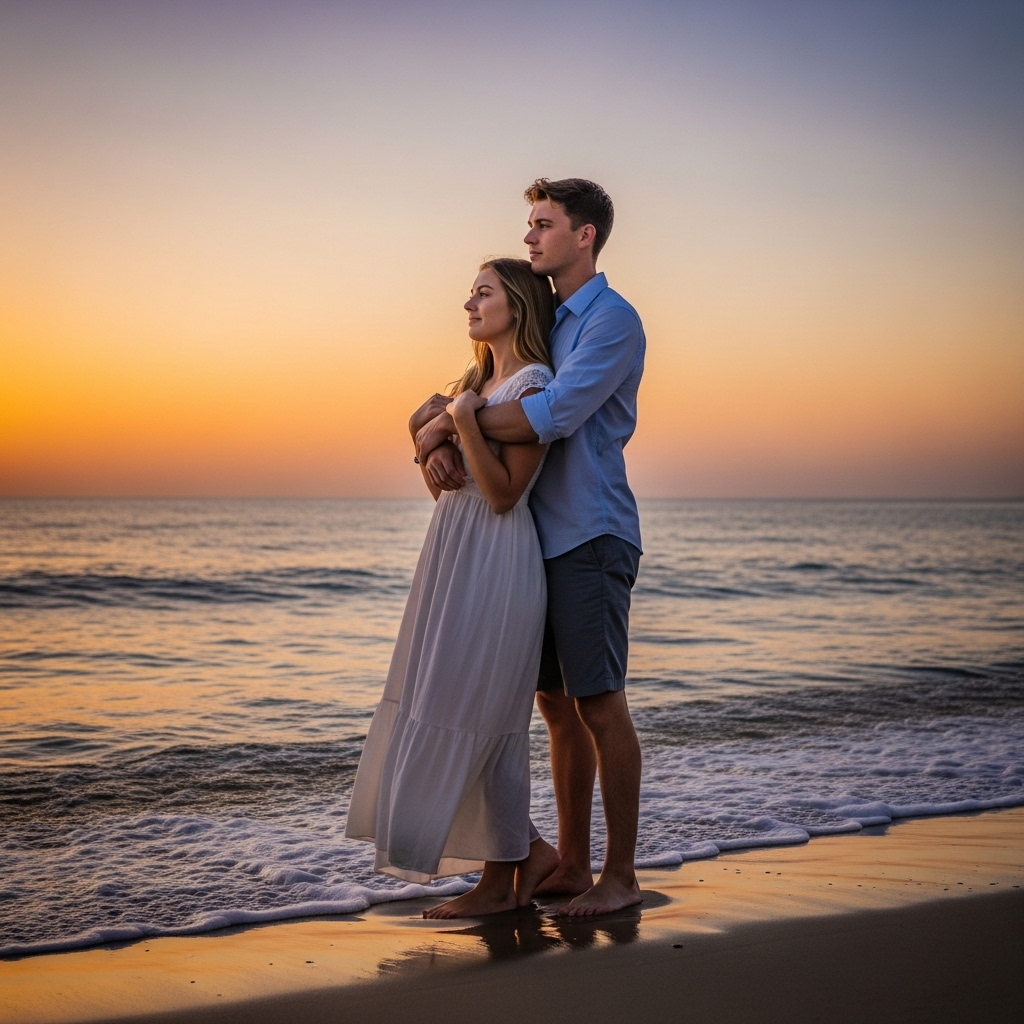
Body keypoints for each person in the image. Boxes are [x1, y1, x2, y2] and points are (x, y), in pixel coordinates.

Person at [415, 178, 646, 917]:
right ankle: (565, 865)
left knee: (600, 704)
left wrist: (455, 424)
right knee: (552, 706)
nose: (530, 238)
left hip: (589, 534)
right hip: (532, 547)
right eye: (529, 226)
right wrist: (432, 432)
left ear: (586, 235)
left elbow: (551, 413)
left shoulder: (611, 320)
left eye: (544, 225)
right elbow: (467, 389)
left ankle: (619, 875)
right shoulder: (547, 315)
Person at [345, 257, 561, 919]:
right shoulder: (475, 381)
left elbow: (504, 494)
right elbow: (440, 466)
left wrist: (459, 422)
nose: (469, 302)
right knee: (438, 696)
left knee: (484, 714)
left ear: (516, 306)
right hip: (451, 554)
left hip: (497, 558)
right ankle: (516, 861)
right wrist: (429, 447)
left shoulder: (533, 383)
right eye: (470, 292)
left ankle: (507, 875)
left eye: (484, 292)